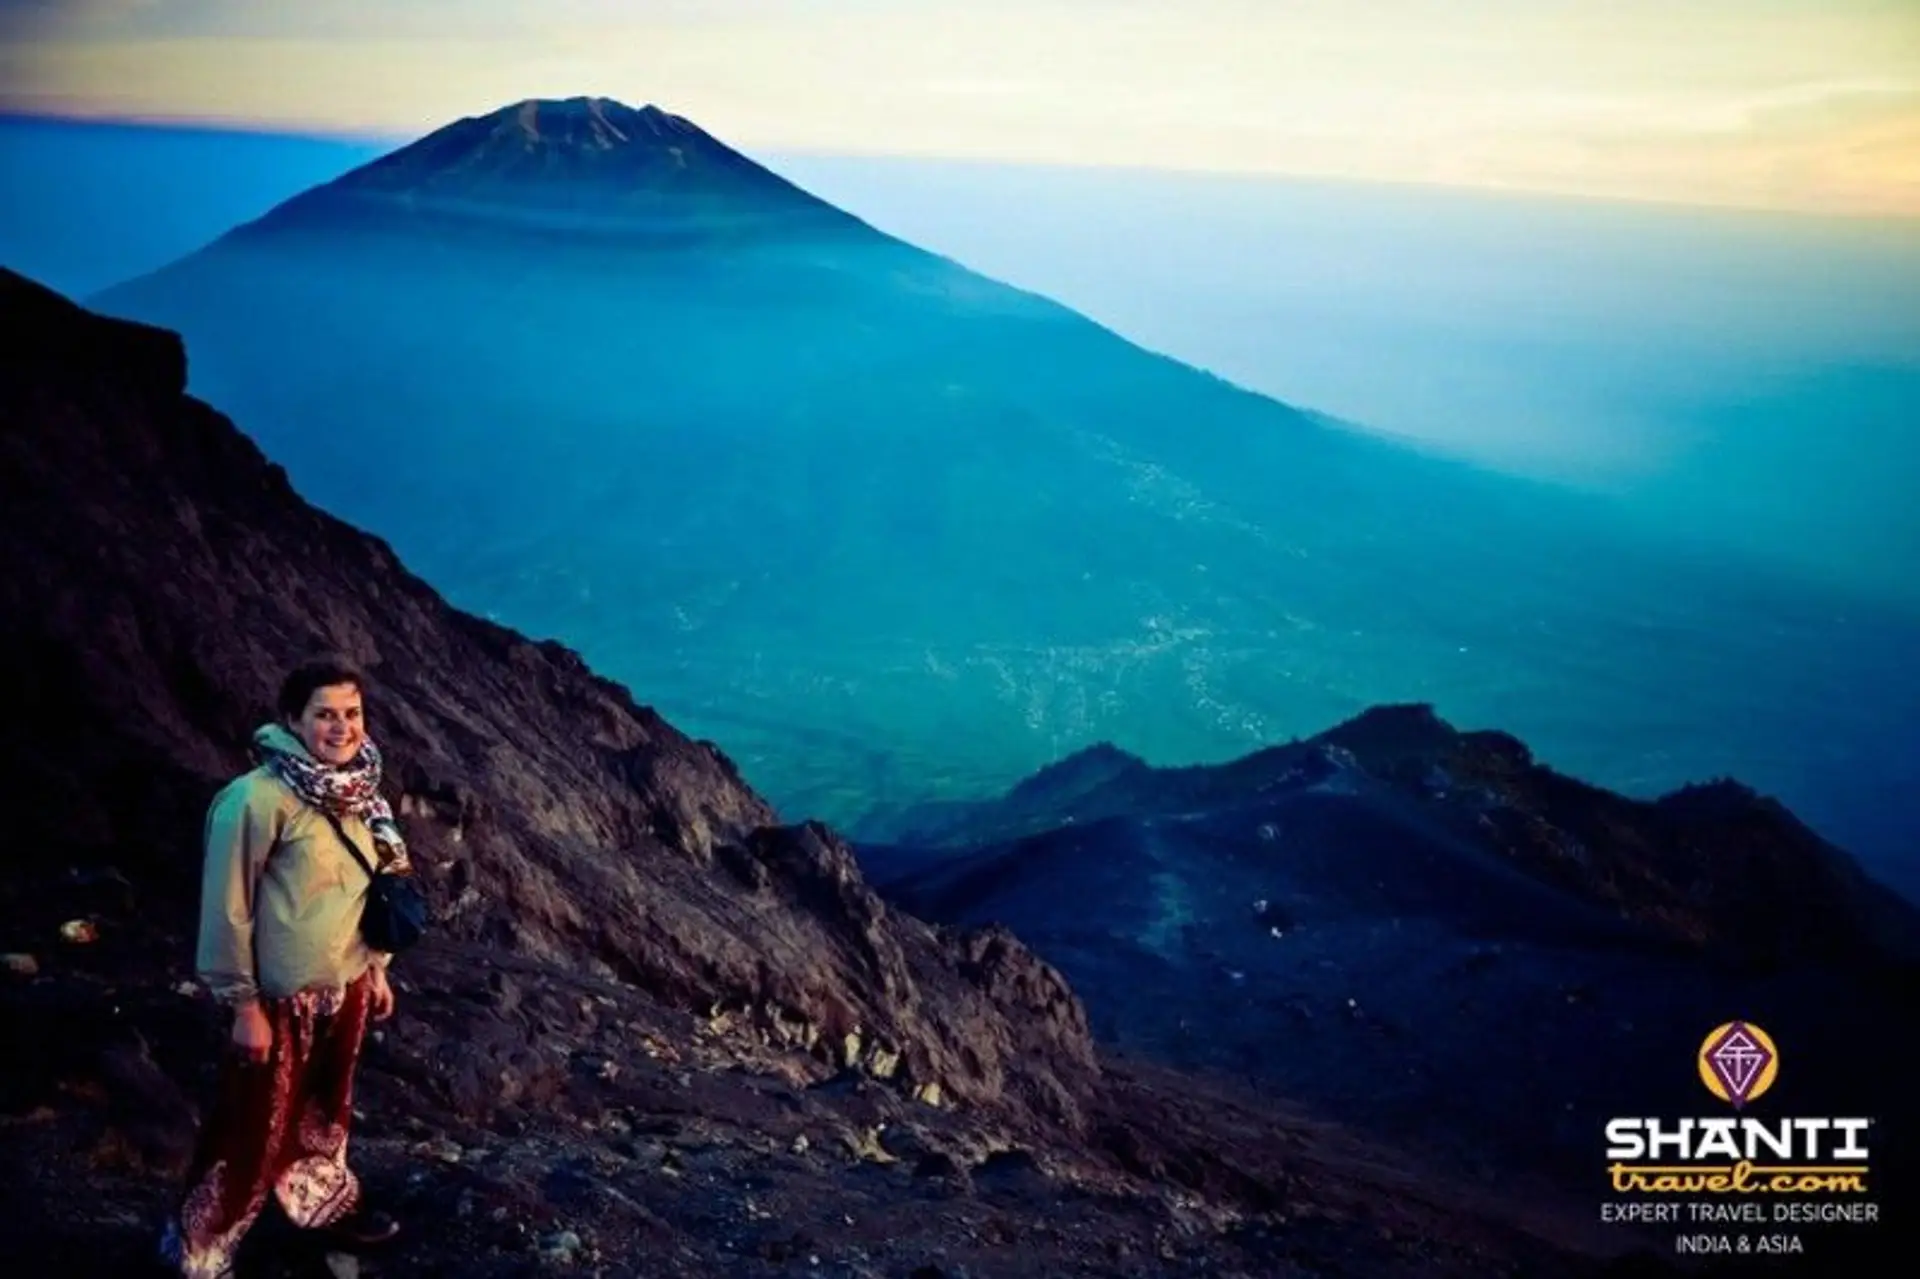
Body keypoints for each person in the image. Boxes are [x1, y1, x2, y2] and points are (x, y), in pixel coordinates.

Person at [159, 657, 409, 1276]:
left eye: (351, 713)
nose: (341, 727)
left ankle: (322, 1208)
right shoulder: (255, 799)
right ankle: (201, 1250)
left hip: (343, 988)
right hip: (276, 1001)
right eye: (324, 714)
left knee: (326, 1115)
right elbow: (228, 906)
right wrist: (244, 1005)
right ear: (293, 720)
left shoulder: (361, 790)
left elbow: (366, 888)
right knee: (248, 1129)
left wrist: (375, 968)